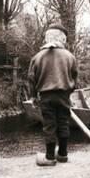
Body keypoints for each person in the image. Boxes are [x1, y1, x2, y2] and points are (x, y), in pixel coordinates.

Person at [28, 24, 78, 166]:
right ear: (63, 38)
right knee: (63, 123)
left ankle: (50, 157)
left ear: (47, 38)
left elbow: (31, 79)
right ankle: (63, 154)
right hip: (63, 95)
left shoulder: (37, 57)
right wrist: (69, 91)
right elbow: (75, 77)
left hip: (46, 96)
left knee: (49, 125)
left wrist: (33, 96)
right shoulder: (70, 57)